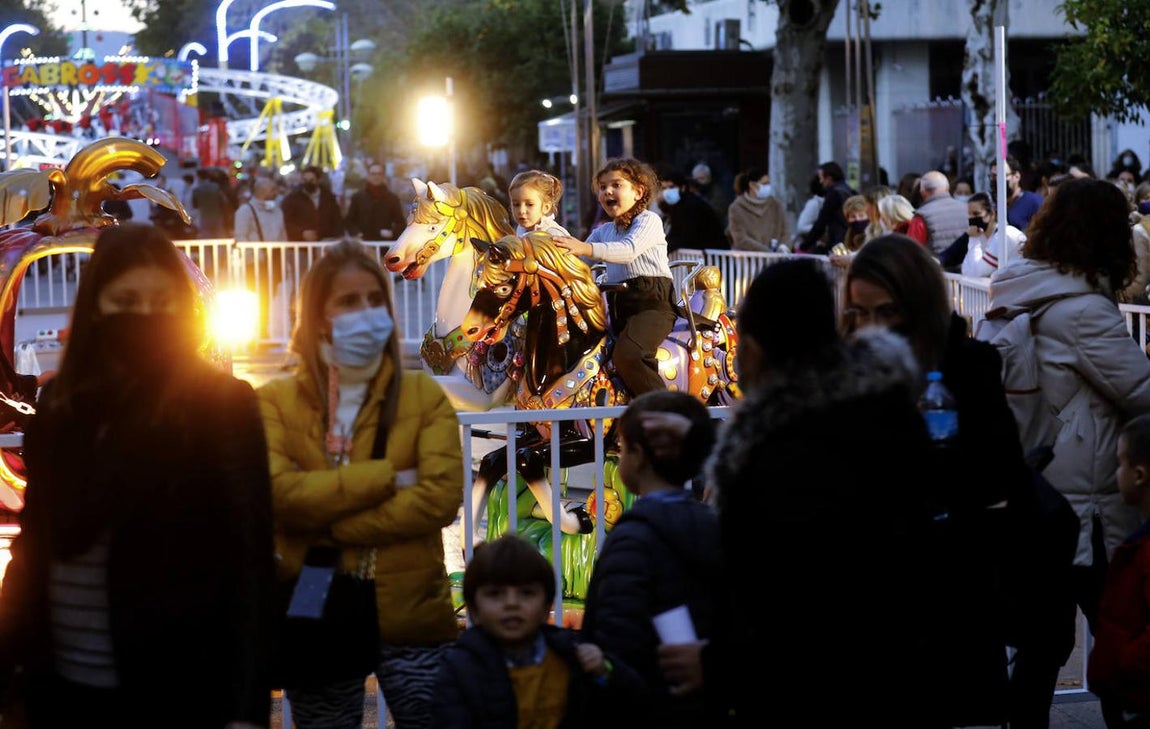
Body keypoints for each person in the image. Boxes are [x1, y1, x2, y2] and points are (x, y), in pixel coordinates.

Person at [0, 223, 276, 728]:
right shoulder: (64, 406)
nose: (144, 316)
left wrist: (246, 710)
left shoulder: (223, 404)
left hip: (175, 689)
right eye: (126, 300)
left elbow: (248, 560)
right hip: (61, 691)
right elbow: (35, 548)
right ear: (96, 307)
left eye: (161, 301)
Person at [654, 258, 935, 726]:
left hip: (807, 694)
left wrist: (714, 665)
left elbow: (792, 607)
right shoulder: (885, 412)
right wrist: (700, 438)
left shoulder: (778, 458)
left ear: (755, 351)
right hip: (900, 676)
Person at [843, 233, 1060, 727]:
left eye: (887, 311)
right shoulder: (842, 370)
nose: (873, 327)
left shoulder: (966, 365)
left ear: (918, 306)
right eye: (860, 312)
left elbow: (997, 470)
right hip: (867, 590)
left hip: (948, 584)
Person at [257, 238, 463, 729]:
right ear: (317, 316)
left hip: (410, 609)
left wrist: (331, 521)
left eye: (374, 300)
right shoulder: (275, 402)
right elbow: (279, 498)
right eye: (349, 302)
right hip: (315, 604)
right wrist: (386, 478)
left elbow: (439, 498)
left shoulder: (422, 394)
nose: (366, 312)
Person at [988, 177, 1150, 726]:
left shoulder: (1021, 290)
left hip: (1041, 494)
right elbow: (1142, 390)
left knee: (1043, 643)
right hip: (1090, 508)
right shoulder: (1083, 311)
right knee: (1119, 639)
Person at [580, 390, 728, 728]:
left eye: (622, 448)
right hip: (702, 701)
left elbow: (616, 636)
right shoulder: (715, 527)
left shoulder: (632, 538)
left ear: (639, 457)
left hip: (640, 704)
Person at [432, 534, 638, 728]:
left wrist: (604, 671)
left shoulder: (571, 655)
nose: (512, 603)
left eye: (526, 593)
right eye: (495, 594)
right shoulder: (458, 668)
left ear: (547, 606)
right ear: (474, 609)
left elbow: (632, 704)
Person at [555, 158, 677, 396]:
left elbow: (628, 250)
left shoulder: (648, 220)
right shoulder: (604, 231)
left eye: (616, 185)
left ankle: (664, 405)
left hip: (653, 306)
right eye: (602, 187)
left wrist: (585, 248)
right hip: (619, 308)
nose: (607, 191)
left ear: (638, 192)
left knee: (629, 355)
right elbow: (578, 265)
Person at [1088, 413, 1150, 729]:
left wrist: (1122, 668)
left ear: (1138, 475)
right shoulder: (1136, 546)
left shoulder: (1141, 551)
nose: (1116, 472)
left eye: (1119, 463)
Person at [960, 191, 1027, 278]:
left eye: (976, 213)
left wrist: (974, 240)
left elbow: (978, 273)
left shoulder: (1004, 235)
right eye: (970, 214)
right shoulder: (982, 236)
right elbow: (966, 271)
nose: (972, 218)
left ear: (992, 214)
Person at [658, 170, 727, 252]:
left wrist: (661, 249)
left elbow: (685, 236)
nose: (667, 191)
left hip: (712, 254)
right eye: (664, 188)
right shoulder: (678, 206)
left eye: (671, 187)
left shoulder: (692, 206)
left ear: (682, 188)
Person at [798, 161, 856, 253]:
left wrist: (804, 246)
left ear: (829, 179)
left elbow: (822, 222)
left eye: (822, 178)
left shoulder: (834, 194)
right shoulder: (848, 191)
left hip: (839, 244)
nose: (820, 182)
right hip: (849, 241)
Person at [725, 166, 786, 251]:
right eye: (764, 184)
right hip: (746, 257)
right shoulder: (736, 208)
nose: (768, 187)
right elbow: (740, 239)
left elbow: (785, 232)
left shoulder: (776, 205)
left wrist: (783, 248)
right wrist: (766, 252)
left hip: (774, 257)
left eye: (769, 183)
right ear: (752, 185)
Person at [345, 163, 407, 241]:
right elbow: (349, 221)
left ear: (383, 176)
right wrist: (356, 233)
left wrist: (392, 232)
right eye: (373, 174)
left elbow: (401, 223)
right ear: (368, 176)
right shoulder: (358, 197)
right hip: (363, 243)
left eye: (379, 174)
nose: (376, 176)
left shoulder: (392, 199)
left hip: (384, 244)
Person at [281, 165, 345, 242]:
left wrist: (338, 236)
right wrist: (301, 233)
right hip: (301, 243)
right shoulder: (292, 199)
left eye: (312, 180)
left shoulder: (328, 198)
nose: (308, 183)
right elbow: (286, 221)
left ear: (318, 180)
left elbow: (337, 220)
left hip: (326, 242)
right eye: (305, 180)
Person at [915, 170, 969, 257]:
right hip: (967, 264)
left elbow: (912, 252)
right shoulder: (968, 209)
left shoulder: (922, 216)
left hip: (934, 264)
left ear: (922, 191)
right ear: (947, 188)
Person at [507, 169, 571, 237]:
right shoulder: (520, 229)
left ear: (546, 207)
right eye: (516, 204)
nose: (521, 211)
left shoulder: (553, 233)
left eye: (530, 204)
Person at [990, 155, 1045, 232]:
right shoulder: (990, 205)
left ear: (1017, 176)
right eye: (993, 176)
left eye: (1002, 175)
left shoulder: (1034, 202)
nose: (996, 180)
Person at [234, 176, 287, 243]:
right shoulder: (245, 211)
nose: (276, 193)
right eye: (272, 190)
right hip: (255, 249)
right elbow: (240, 236)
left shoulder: (277, 211)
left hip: (278, 249)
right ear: (261, 191)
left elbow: (283, 235)